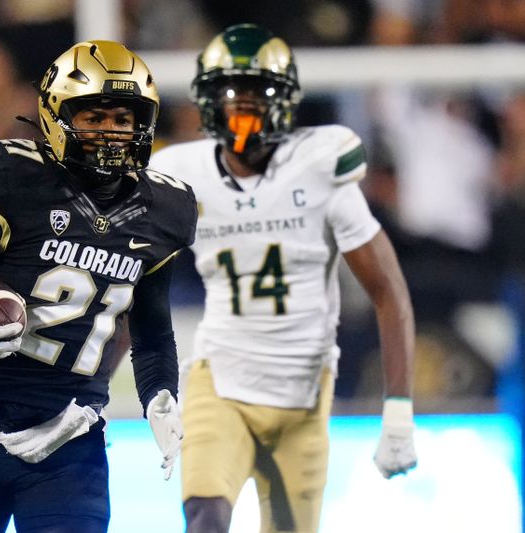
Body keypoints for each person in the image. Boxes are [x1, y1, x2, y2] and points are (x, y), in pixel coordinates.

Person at [0, 40, 197, 532]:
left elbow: (151, 333)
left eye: (123, 120)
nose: (110, 133)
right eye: (94, 118)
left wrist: (160, 396)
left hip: (70, 440)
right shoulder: (13, 176)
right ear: (56, 117)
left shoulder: (163, 211)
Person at [149, 24, 418, 533]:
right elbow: (133, 289)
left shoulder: (320, 168)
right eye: (230, 96)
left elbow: (389, 292)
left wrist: (399, 410)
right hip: (220, 382)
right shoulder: (182, 176)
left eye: (256, 96)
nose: (242, 110)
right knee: (205, 517)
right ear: (208, 104)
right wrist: (96, 389)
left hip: (302, 397)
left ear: (285, 102)